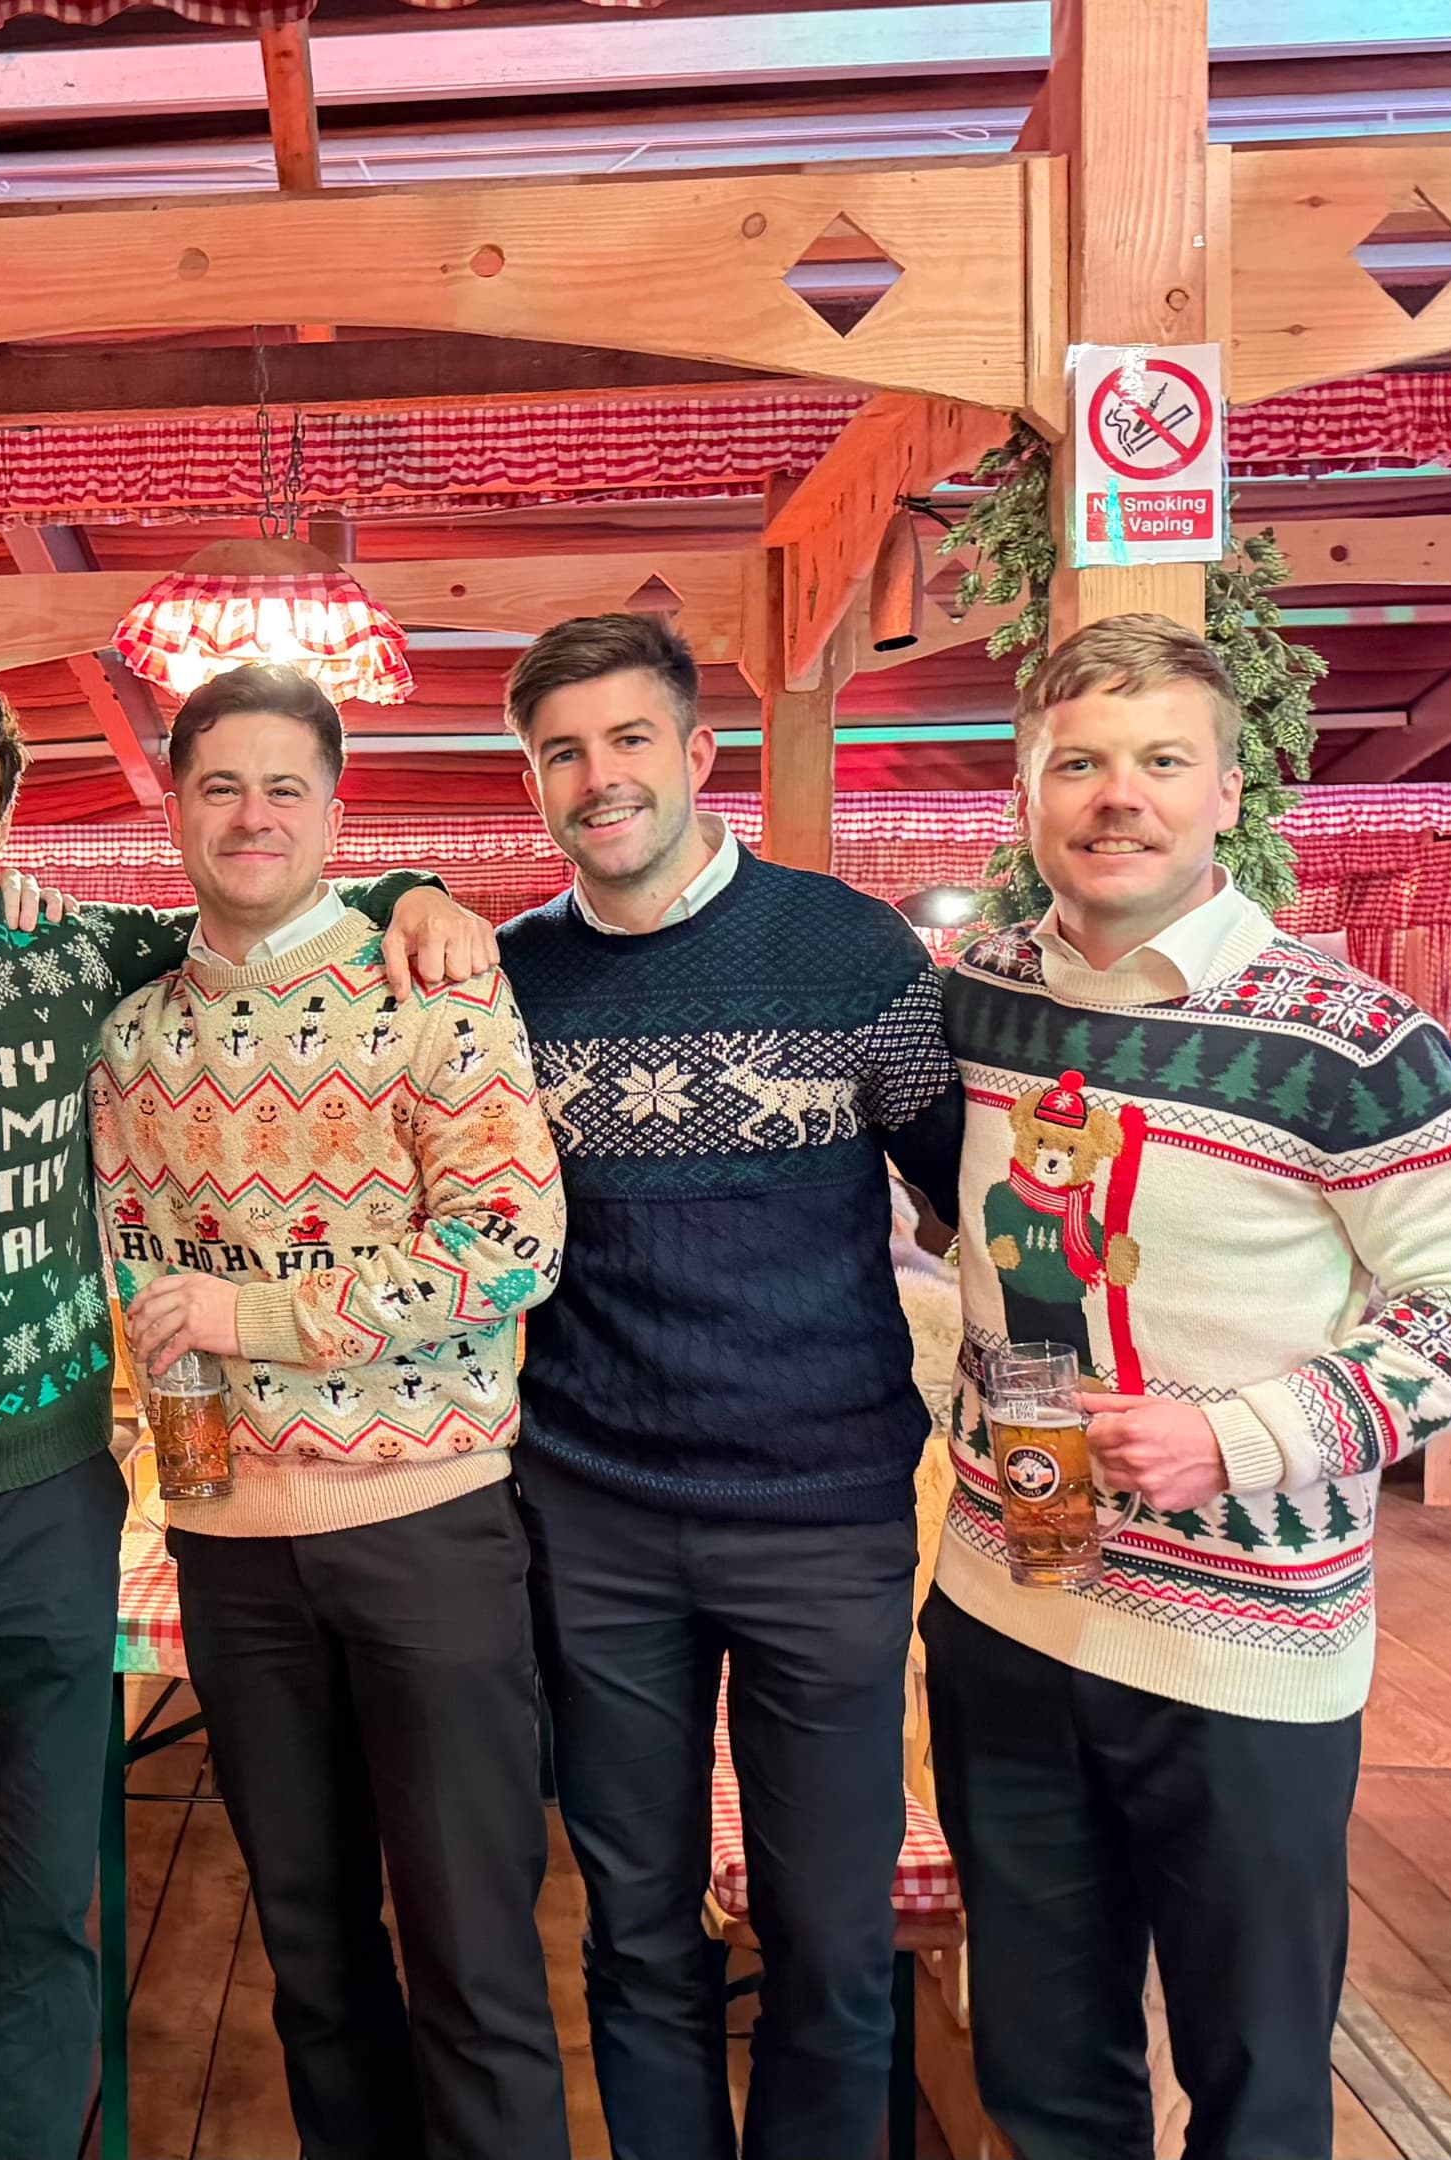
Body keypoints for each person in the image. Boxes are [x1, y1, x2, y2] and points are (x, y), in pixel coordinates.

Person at [0, 668, 492, 2160]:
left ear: (6, 822)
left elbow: (257, 901)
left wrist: (420, 883)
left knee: (46, 1909)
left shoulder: (74, 959)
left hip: (47, 1500)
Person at [926, 613, 1451, 2160]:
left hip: (1243, 1655)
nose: (1114, 796)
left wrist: (1240, 1435)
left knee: (1257, 2081)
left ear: (1227, 794)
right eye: (1077, 763)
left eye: (1159, 762)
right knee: (1039, 2066)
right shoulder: (982, 994)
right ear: (1027, 795)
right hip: (1008, 1611)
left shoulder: (1350, 1042)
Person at [491, 613, 963, 2160]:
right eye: (563, 751)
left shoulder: (849, 951)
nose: (598, 777)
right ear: (535, 779)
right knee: (635, 1931)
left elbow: (975, 1200)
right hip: (596, 1513)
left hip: (822, 1516)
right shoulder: (505, 985)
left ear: (700, 756)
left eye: (629, 740)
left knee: (830, 1944)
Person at [91, 662, 571, 2160]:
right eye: (219, 784)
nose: (251, 815)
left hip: (428, 1528)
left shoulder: (431, 991)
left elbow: (511, 1245)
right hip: (230, 1546)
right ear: (170, 807)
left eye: (284, 785)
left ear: (336, 812)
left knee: (472, 1953)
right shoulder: (130, 1036)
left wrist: (260, 1319)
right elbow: (137, 1270)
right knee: (308, 1951)